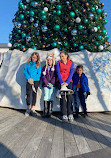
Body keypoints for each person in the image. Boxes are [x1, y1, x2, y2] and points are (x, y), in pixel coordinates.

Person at [56, 50, 74, 121]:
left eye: (62, 56)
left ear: (66, 56)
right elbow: (58, 72)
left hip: (69, 82)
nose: (61, 58)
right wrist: (61, 82)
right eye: (60, 56)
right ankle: (64, 114)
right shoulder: (58, 63)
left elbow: (71, 73)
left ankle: (70, 113)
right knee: (63, 98)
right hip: (60, 82)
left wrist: (67, 82)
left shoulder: (71, 63)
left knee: (69, 97)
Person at [24, 52, 41, 116]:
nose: (34, 59)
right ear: (31, 57)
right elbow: (25, 72)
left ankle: (33, 108)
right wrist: (29, 78)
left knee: (34, 94)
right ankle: (28, 108)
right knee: (28, 94)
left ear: (37, 59)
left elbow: (39, 74)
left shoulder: (38, 65)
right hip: (29, 81)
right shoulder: (27, 64)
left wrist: (33, 79)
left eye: (36, 58)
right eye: (33, 57)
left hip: (35, 81)